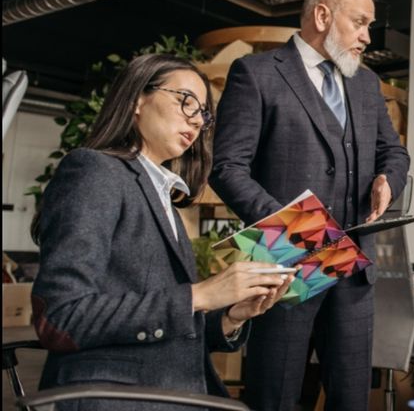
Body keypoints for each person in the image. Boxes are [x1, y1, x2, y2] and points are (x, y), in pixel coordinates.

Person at [31, 54, 292, 409]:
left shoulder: (163, 194)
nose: (198, 120)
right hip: (118, 398)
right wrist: (197, 296)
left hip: (173, 394)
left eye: (203, 112)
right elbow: (61, 318)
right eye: (186, 101)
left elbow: (171, 329)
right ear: (138, 98)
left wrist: (231, 316)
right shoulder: (94, 171)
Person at [210, 0, 410, 410]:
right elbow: (227, 168)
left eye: (369, 26)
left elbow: (394, 154)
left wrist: (387, 180)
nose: (366, 36)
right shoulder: (257, 73)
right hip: (285, 266)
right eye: (359, 22)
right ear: (322, 15)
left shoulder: (365, 83)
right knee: (275, 394)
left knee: (352, 399)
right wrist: (301, 230)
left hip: (354, 272)